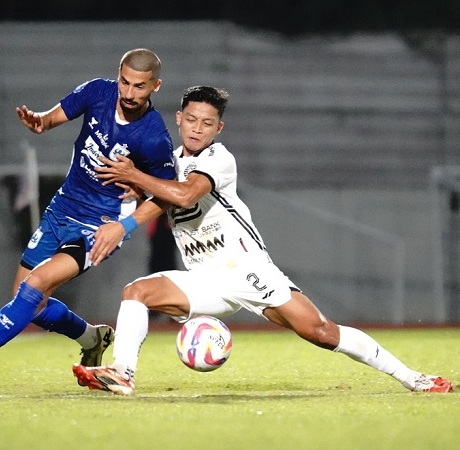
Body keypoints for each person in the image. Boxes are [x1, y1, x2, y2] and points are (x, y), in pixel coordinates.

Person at [72, 85, 453, 396]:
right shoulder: (167, 165)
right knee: (136, 291)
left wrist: (137, 177)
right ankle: (122, 374)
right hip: (205, 278)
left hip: (247, 271)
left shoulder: (219, 159)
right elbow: (158, 201)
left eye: (207, 122)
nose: (197, 128)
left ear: (218, 128)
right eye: (191, 119)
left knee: (321, 332)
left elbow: (186, 196)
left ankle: (411, 377)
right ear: (179, 119)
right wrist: (128, 200)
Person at [0, 48, 175, 388]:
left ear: (155, 86)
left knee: (34, 287)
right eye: (125, 82)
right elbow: (54, 116)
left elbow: (165, 195)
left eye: (140, 87)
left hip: (99, 225)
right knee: (26, 300)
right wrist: (40, 122)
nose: (129, 93)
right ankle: (91, 338)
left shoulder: (153, 136)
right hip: (61, 209)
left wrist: (124, 224)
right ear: (117, 75)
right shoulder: (98, 92)